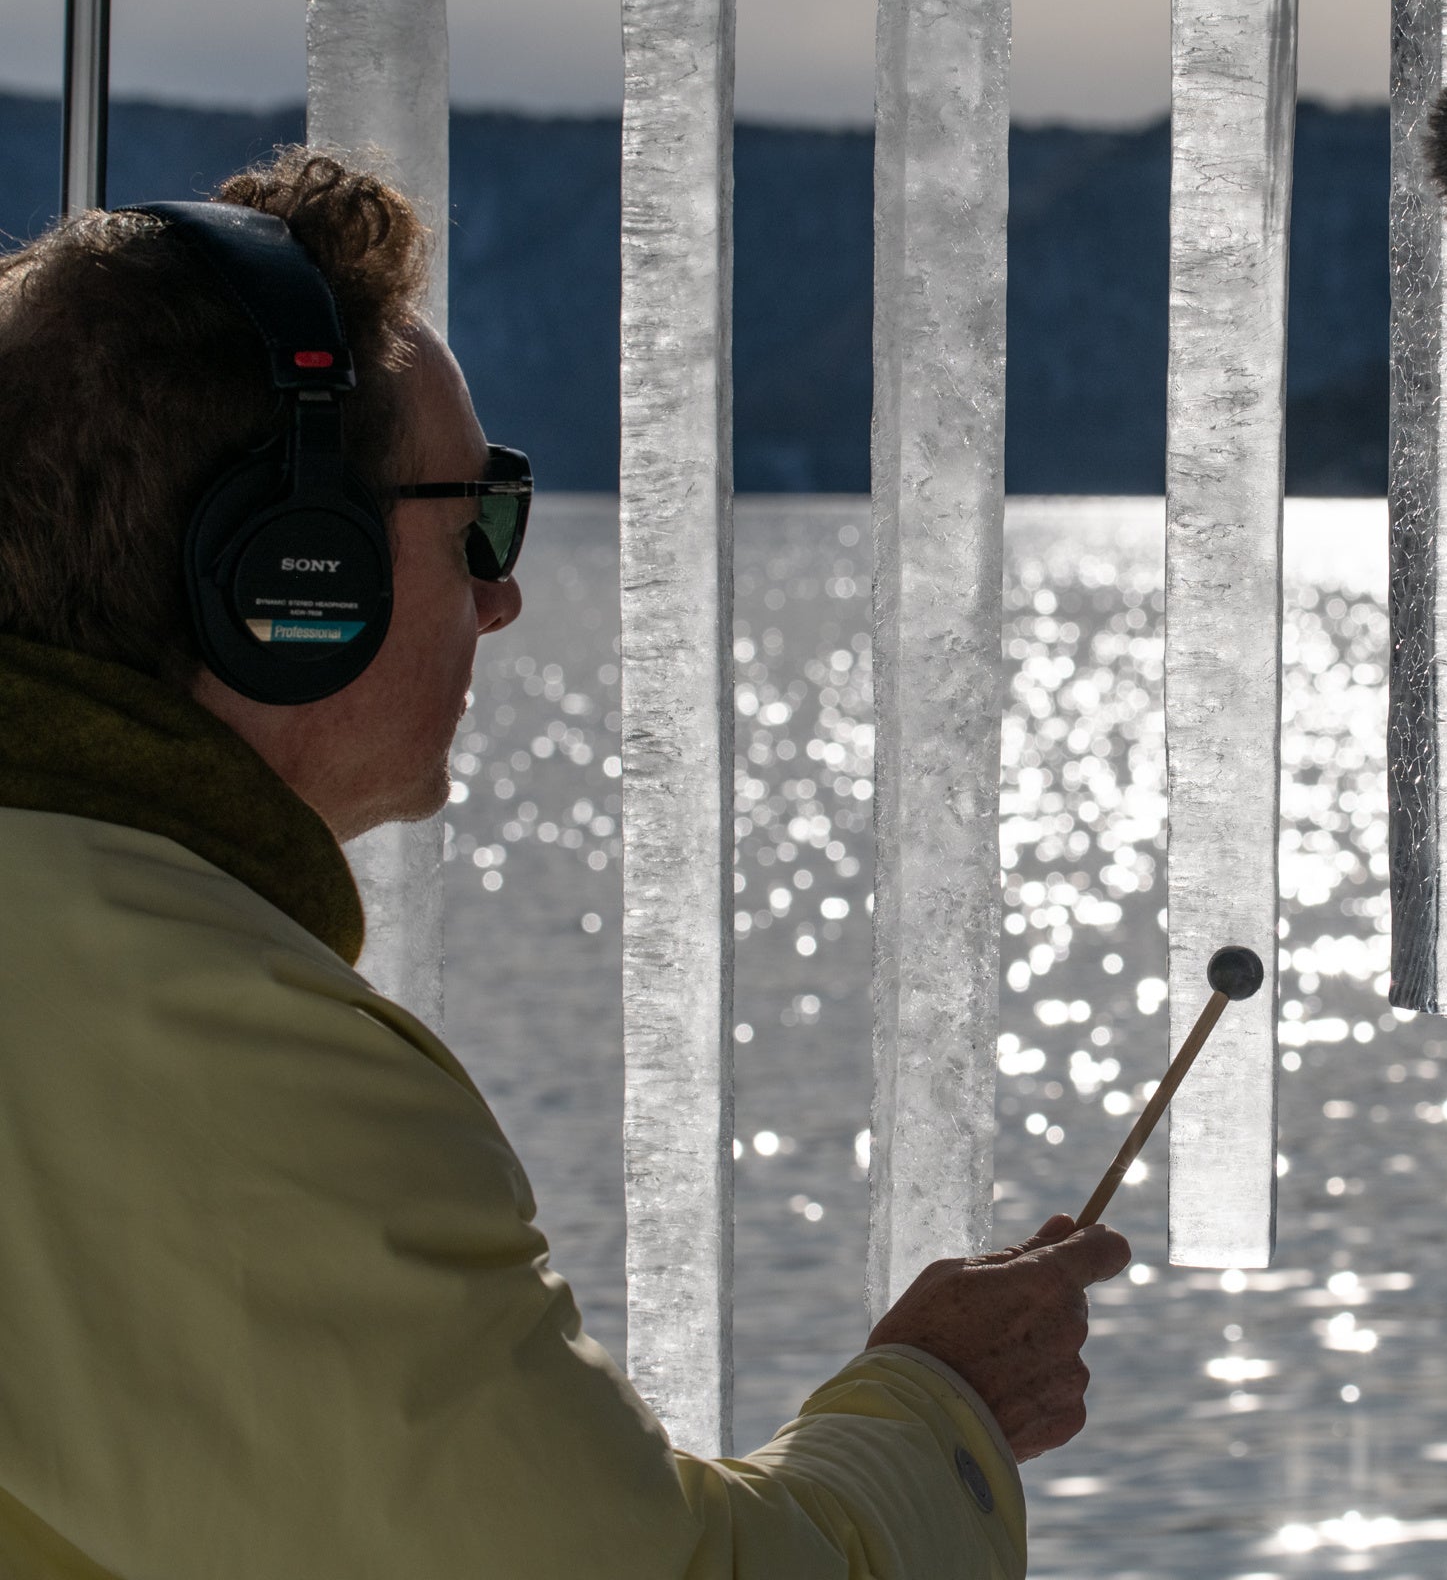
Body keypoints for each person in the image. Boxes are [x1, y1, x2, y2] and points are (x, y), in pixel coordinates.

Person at [0, 149, 1127, 1578]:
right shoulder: (216, 1062)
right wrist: (942, 1404)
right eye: (476, 519)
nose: (504, 594)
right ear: (292, 574)